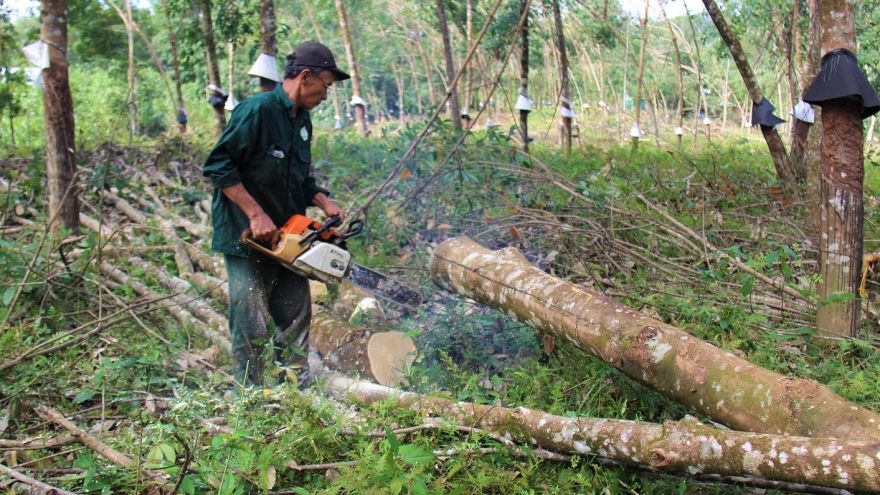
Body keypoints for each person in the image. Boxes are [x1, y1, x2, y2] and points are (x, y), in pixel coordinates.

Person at [203, 41, 349, 387]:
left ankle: (298, 391)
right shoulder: (257, 111)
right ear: (305, 76)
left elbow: (299, 177)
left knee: (296, 311)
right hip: (245, 236)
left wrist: (322, 201)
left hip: (289, 237)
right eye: (326, 86)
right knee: (250, 317)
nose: (327, 95)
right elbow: (218, 166)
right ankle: (250, 397)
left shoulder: (303, 121)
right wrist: (255, 214)